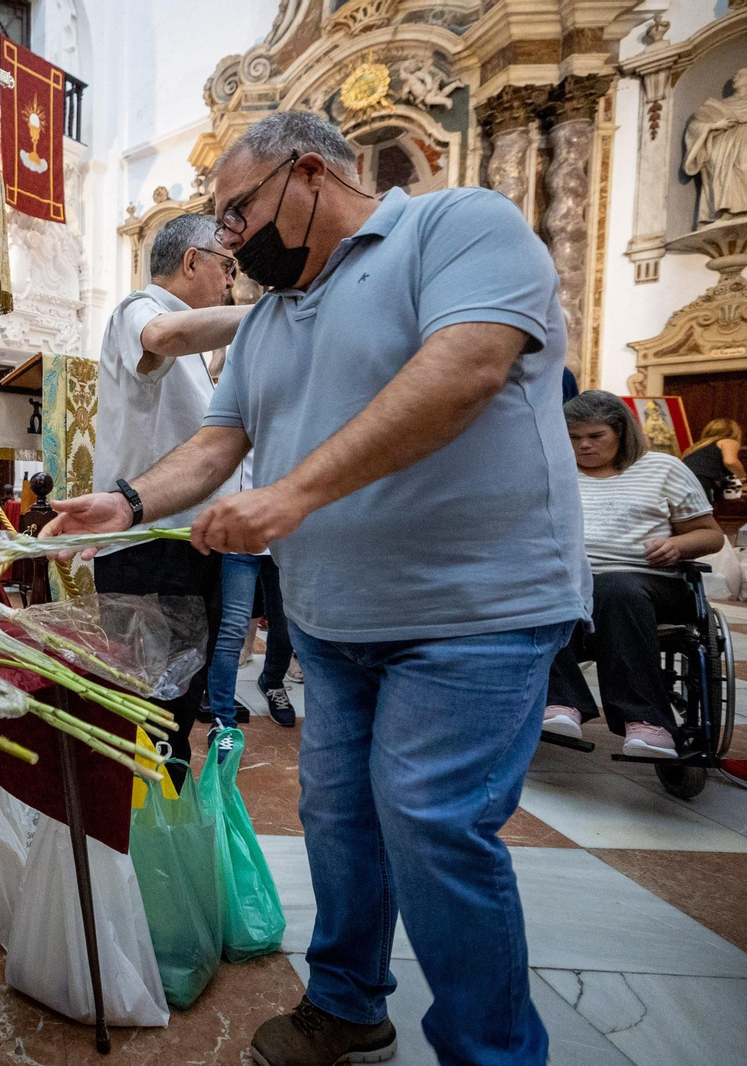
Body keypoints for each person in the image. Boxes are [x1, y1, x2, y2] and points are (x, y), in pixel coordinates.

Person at [43, 110, 589, 1066]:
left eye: (236, 212)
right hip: (338, 622)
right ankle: (345, 1005)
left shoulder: (458, 226)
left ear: (307, 177)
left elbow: (467, 367)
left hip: (474, 611)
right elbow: (218, 444)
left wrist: (293, 495)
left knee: (431, 821)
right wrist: (127, 502)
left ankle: (490, 1051)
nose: (227, 238)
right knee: (337, 816)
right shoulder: (273, 319)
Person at [93, 212, 250, 786]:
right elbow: (159, 339)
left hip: (186, 544)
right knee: (145, 712)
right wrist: (270, 317)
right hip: (145, 547)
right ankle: (136, 838)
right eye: (227, 268)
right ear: (192, 262)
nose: (230, 283)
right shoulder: (140, 307)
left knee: (177, 710)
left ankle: (164, 827)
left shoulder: (195, 342)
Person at [545, 392, 725, 756]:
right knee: (528, 596)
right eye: (573, 437)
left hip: (647, 582)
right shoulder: (552, 470)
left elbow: (711, 534)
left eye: (595, 436)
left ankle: (647, 722)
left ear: (621, 432)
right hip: (568, 583)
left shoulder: (662, 468)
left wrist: (679, 546)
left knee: (614, 589)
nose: (584, 445)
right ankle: (562, 703)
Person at [206, 453, 296, 733]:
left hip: (282, 538)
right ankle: (222, 719)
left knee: (285, 628)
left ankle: (271, 681)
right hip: (237, 542)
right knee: (232, 629)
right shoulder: (236, 413)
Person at [681, 417, 746, 504]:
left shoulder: (695, 447)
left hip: (683, 483)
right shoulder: (728, 441)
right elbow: (731, 462)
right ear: (735, 432)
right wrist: (743, 477)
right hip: (703, 483)